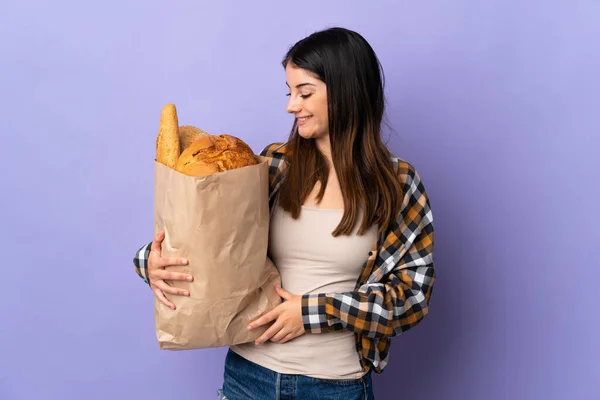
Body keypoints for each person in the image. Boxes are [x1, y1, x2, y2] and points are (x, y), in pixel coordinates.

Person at [133, 27, 435, 400]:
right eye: (290, 92)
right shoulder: (275, 164)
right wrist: (151, 261)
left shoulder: (398, 183)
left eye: (305, 93)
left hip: (336, 386)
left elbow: (411, 297)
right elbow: (211, 240)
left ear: (346, 92)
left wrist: (311, 313)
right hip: (249, 377)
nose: (292, 106)